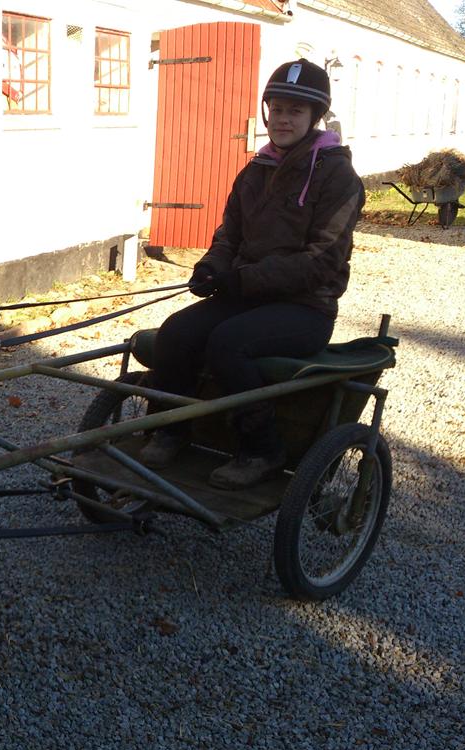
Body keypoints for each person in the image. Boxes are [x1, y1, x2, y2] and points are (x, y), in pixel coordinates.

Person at [138, 58, 365, 489]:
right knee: (175, 333)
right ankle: (170, 430)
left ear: (315, 117)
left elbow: (323, 259)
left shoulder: (338, 176)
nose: (283, 119)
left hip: (306, 308)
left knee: (230, 343)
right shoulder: (256, 169)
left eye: (295, 111)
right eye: (277, 109)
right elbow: (230, 234)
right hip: (246, 296)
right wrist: (212, 268)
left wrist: (245, 279)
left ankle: (261, 449)